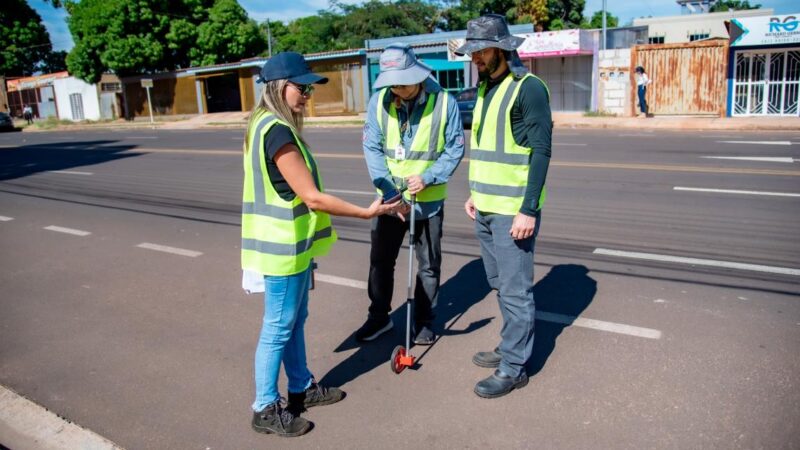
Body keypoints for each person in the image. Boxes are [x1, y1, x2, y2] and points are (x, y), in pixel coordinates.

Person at [241, 52, 401, 437]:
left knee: (293, 323)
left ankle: (300, 387)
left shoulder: (267, 124)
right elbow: (311, 197)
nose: (308, 95)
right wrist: (367, 213)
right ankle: (264, 406)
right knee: (279, 326)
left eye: (310, 87)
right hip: (282, 248)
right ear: (280, 88)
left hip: (292, 245)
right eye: (302, 87)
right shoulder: (276, 131)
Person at [454, 14, 552, 399]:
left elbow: (541, 151)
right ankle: (509, 343)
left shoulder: (527, 88)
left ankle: (514, 366)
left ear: (501, 48)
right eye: (472, 52)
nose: (473, 58)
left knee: (515, 289)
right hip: (486, 207)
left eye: (479, 51)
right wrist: (475, 193)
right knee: (497, 282)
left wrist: (528, 209)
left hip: (514, 211)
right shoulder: (485, 89)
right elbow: (487, 149)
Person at [356, 43, 465, 345]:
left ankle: (425, 322)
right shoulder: (379, 102)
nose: (396, 89)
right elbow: (372, 148)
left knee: (428, 266)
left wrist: (429, 177)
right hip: (391, 202)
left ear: (416, 77)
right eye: (391, 83)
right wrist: (392, 194)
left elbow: (455, 148)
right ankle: (378, 318)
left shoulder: (445, 103)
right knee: (380, 262)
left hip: (427, 203)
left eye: (402, 83)